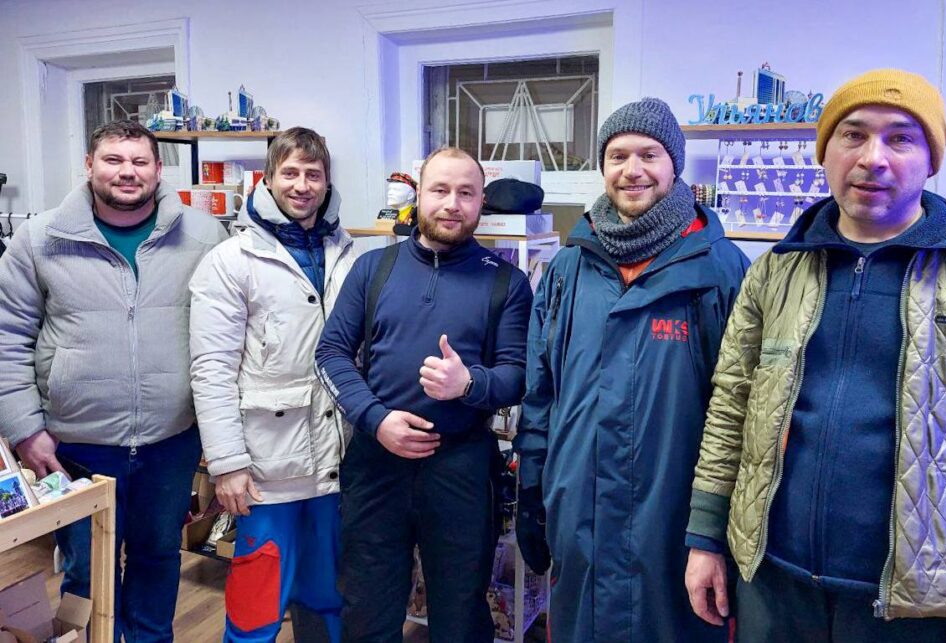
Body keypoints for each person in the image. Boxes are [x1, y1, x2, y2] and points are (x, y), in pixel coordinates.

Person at [684, 69, 946, 643]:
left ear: (931, 160)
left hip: (917, 608)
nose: (873, 158)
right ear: (825, 151)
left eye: (901, 138)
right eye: (853, 135)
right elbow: (731, 410)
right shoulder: (775, 270)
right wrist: (706, 537)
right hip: (772, 584)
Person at [514, 97, 749, 642]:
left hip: (676, 521)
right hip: (579, 510)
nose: (632, 170)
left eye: (649, 154)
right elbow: (540, 389)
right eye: (618, 156)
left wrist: (716, 529)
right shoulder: (569, 268)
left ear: (675, 165)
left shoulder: (720, 271)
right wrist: (532, 488)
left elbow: (743, 412)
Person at [0, 120, 227, 641]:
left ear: (157, 169)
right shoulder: (41, 239)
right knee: (87, 571)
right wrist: (25, 429)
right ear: (89, 166)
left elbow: (226, 337)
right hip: (76, 446)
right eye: (113, 160)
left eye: (139, 161)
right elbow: (7, 338)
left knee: (158, 558)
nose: (128, 172)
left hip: (171, 441)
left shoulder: (203, 236)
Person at [315, 147, 533, 643]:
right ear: (419, 196)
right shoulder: (373, 268)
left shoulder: (506, 281)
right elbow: (330, 353)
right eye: (440, 190)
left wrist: (469, 384)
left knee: (461, 614)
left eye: (466, 193)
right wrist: (375, 419)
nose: (452, 203)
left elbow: (518, 375)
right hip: (377, 464)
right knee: (367, 609)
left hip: (461, 467)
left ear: (481, 202)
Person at [189, 127, 362, 642]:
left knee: (328, 594)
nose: (302, 185)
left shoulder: (348, 254)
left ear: (327, 182)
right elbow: (211, 368)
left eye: (314, 174)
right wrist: (227, 463)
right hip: (268, 468)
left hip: (336, 461)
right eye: (290, 173)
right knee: (256, 602)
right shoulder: (231, 261)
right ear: (267, 179)